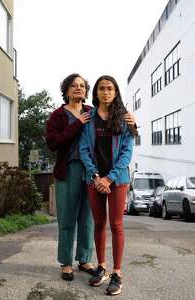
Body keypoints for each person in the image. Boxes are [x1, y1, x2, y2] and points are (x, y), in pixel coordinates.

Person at [45, 73, 136, 282]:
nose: (78, 89)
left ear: (87, 92)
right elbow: (52, 142)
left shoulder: (92, 111)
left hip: (91, 173)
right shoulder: (58, 115)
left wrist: (134, 123)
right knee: (67, 218)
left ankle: (84, 259)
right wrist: (76, 124)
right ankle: (66, 262)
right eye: (73, 86)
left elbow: (120, 128)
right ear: (66, 90)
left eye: (82, 86)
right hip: (69, 170)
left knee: (88, 218)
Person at [79, 75, 137, 295]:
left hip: (117, 180)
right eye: (102, 89)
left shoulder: (125, 119)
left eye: (110, 89)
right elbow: (84, 149)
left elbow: (127, 153)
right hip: (94, 180)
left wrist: (109, 178)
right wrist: (96, 176)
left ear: (115, 92)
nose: (106, 92)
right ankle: (101, 267)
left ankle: (117, 272)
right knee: (99, 223)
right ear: (96, 93)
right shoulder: (89, 118)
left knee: (116, 224)